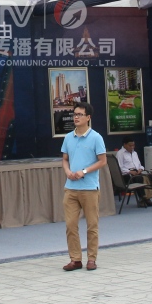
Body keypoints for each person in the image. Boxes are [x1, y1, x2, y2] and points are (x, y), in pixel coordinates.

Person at [61, 101, 106, 271]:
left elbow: (102, 161)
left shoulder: (96, 137)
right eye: (74, 114)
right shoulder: (68, 137)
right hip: (71, 188)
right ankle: (75, 259)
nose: (76, 117)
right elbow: (65, 159)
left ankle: (92, 258)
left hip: (89, 188)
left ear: (88, 117)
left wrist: (84, 171)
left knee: (92, 225)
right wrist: (67, 171)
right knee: (70, 225)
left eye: (80, 114)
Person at [116, 138, 152, 207]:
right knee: (139, 179)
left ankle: (149, 197)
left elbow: (140, 165)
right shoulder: (120, 153)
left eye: (133, 145)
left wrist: (140, 169)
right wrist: (130, 171)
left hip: (137, 172)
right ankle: (142, 199)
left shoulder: (134, 153)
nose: (132, 147)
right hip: (126, 176)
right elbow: (119, 168)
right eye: (130, 146)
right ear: (124, 145)